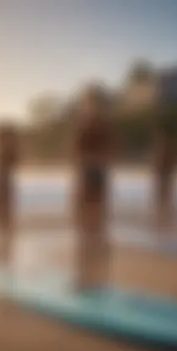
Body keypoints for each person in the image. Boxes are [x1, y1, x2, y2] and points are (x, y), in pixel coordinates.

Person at [70, 83, 114, 290]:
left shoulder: (94, 126)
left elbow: (83, 158)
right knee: (90, 230)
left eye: (87, 102)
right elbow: (78, 157)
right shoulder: (93, 126)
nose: (85, 106)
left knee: (91, 230)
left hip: (93, 179)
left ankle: (90, 278)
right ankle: (89, 277)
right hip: (92, 178)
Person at [0, 123, 19, 268]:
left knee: (2, 212)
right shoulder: (6, 150)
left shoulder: (6, 150)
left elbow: (8, 167)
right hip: (2, 183)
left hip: (3, 184)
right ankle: (3, 246)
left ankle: (3, 247)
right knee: (2, 213)